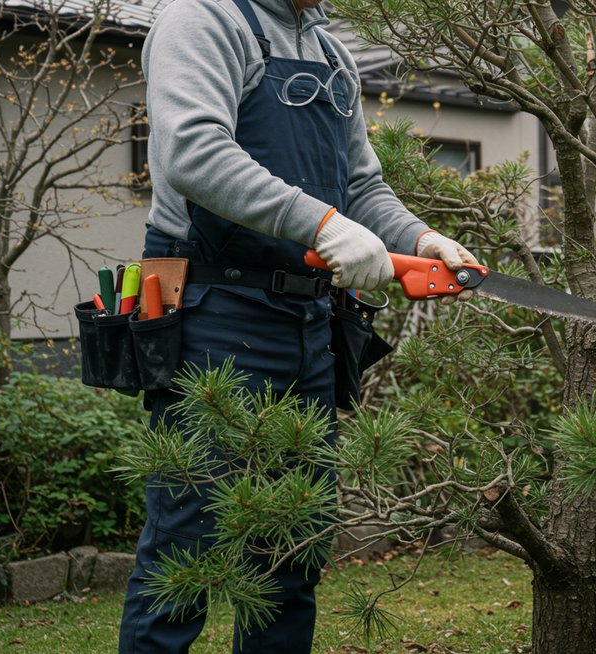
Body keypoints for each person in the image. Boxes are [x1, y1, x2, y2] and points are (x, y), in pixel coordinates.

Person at [118, 0, 475, 651]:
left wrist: (418, 239)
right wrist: (321, 224)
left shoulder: (328, 49)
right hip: (213, 315)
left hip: (311, 324)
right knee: (184, 561)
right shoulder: (203, 18)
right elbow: (191, 153)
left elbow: (361, 185)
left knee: (291, 556)